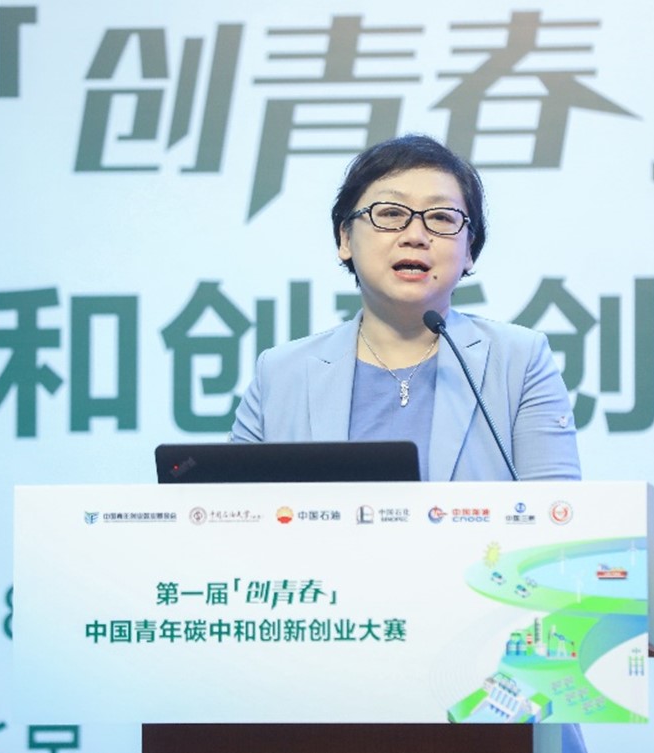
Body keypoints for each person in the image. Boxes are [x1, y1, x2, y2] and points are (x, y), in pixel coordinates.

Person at [230, 134, 586, 752]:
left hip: (483, 684)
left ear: (470, 251)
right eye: (390, 213)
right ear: (345, 238)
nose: (416, 235)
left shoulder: (518, 360)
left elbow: (559, 523)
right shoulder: (280, 373)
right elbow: (227, 532)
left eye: (443, 219)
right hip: (321, 681)